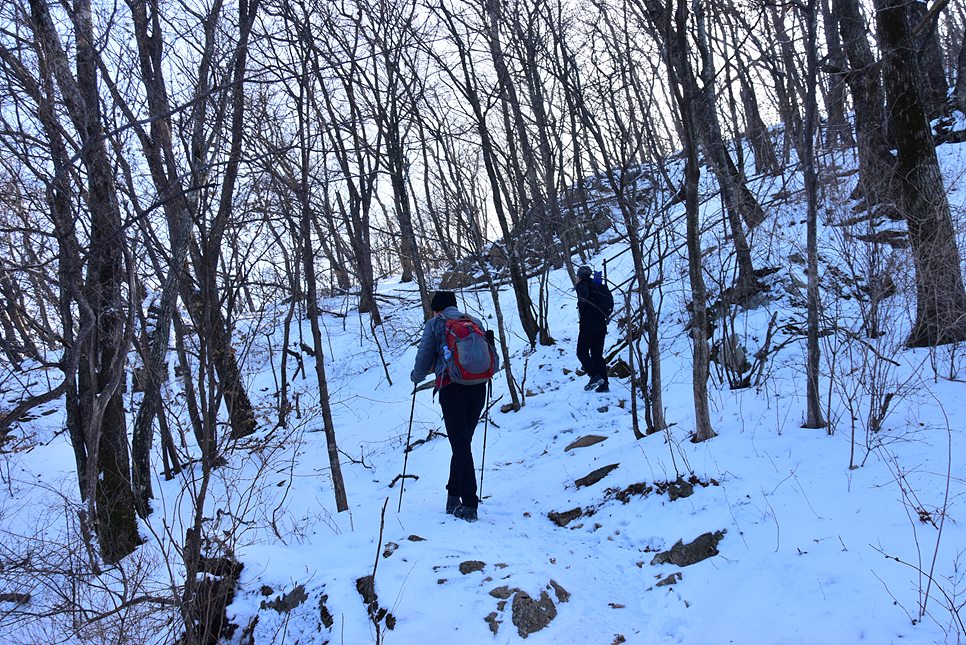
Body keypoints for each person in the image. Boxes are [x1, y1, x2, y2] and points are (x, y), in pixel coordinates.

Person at [410, 290, 499, 522]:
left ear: (436, 308)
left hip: (452, 388)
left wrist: (416, 376)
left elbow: (424, 357)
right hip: (479, 385)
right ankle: (453, 496)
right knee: (463, 442)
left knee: (460, 444)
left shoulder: (435, 324)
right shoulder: (474, 321)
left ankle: (469, 504)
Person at [575, 265, 611, 392]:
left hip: (589, 324)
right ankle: (604, 385)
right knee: (597, 355)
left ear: (581, 277)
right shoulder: (598, 285)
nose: (576, 278)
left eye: (577, 276)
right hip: (601, 323)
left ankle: (594, 376)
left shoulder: (583, 286)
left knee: (581, 352)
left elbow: (585, 299)